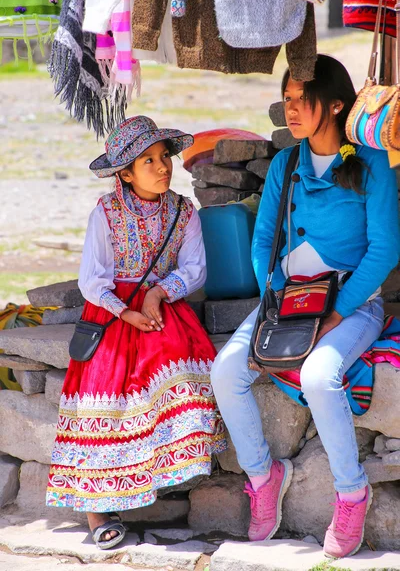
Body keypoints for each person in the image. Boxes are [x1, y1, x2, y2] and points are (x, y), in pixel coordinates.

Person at [211, 54, 400, 559]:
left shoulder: (371, 163)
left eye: (302, 100)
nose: (290, 110)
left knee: (319, 375)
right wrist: (278, 300)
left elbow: (384, 249)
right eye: (287, 99)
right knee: (226, 370)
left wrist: (337, 311)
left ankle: (352, 492)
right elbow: (262, 242)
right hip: (287, 301)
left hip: (350, 304)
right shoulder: (285, 164)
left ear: (336, 104)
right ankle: (262, 475)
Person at [46, 116, 226, 549]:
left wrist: (159, 294)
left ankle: (161, 476)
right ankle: (96, 513)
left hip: (163, 309)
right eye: (148, 161)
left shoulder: (183, 212)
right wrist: (124, 312)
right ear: (125, 173)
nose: (162, 167)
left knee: (177, 371)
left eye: (164, 157)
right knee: (106, 395)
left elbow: (194, 269)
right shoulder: (106, 213)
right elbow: (93, 279)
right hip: (113, 314)